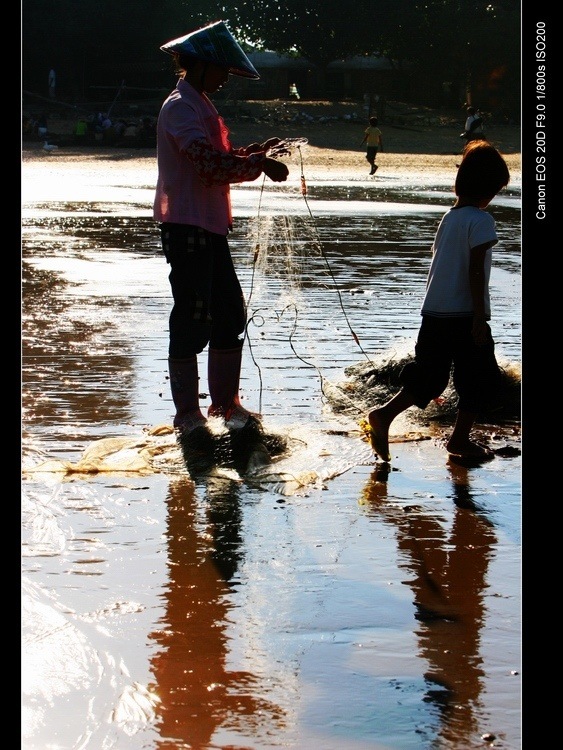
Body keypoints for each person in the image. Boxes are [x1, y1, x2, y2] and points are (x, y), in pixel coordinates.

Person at [153, 20, 289, 447]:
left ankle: (225, 403)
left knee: (229, 313)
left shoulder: (201, 105)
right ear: (201, 66)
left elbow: (218, 157)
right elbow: (208, 167)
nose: (227, 77)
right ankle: (188, 414)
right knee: (192, 317)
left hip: (209, 225)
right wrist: (258, 167)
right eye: (222, 69)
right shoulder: (180, 107)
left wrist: (252, 155)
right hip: (186, 225)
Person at [365, 140, 510, 462]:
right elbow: (475, 270)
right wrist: (478, 317)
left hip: (434, 312)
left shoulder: (451, 217)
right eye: (497, 189)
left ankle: (385, 415)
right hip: (463, 313)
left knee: (430, 377)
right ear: (488, 187)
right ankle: (459, 440)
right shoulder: (481, 220)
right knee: (480, 377)